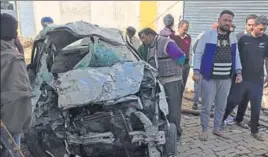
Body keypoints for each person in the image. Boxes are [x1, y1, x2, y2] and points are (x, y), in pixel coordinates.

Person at [193, 10, 242, 141]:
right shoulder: (207, 35)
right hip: (209, 77)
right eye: (225, 20)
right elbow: (198, 53)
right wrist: (196, 71)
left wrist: (238, 72)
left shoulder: (232, 37)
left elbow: (236, 55)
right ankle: (204, 130)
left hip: (226, 78)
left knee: (221, 105)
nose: (227, 23)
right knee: (206, 105)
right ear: (219, 20)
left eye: (230, 20)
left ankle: (217, 128)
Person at [222, 15, 268, 141]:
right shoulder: (242, 39)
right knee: (233, 101)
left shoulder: (266, 40)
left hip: (257, 79)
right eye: (260, 29)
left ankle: (254, 131)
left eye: (264, 29)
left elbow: (267, 58)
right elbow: (234, 57)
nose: (262, 32)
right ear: (253, 26)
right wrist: (235, 73)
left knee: (256, 106)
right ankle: (221, 120)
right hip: (242, 78)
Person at [138, 28, 186, 138]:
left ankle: (176, 133)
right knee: (163, 108)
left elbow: (181, 58)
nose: (142, 40)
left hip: (172, 81)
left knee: (173, 109)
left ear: (150, 35)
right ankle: (168, 131)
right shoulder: (150, 47)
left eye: (143, 37)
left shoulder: (166, 43)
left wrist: (173, 70)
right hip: (160, 82)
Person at [1, 13, 33, 156]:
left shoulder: (11, 56)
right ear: (15, 34)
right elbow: (20, 98)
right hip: (8, 124)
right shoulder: (12, 58)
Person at [170, 20, 191, 92]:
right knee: (175, 88)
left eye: (187, 30)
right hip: (176, 64)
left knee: (182, 87)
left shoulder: (188, 37)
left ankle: (179, 102)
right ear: (179, 27)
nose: (186, 31)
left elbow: (189, 50)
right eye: (184, 29)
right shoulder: (172, 37)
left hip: (185, 64)